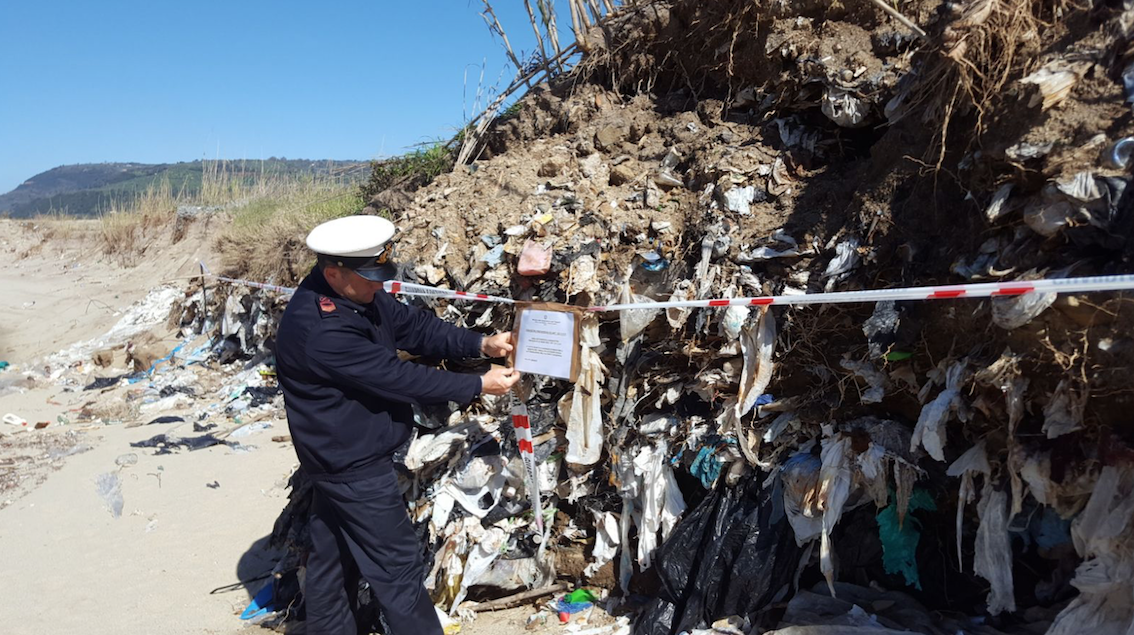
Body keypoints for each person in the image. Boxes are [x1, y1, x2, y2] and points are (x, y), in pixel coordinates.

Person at [274, 214, 520, 634]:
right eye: (370, 276)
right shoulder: (322, 329)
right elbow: (400, 378)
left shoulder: (357, 294)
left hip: (336, 458)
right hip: (352, 465)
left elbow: (412, 326)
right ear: (334, 272)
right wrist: (479, 383)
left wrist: (479, 343)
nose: (380, 285)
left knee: (332, 564)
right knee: (398, 571)